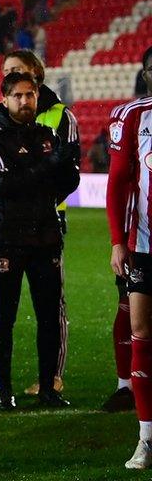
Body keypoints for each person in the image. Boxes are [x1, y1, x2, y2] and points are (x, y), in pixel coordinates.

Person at [0, 49, 79, 397]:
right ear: (5, 96)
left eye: (27, 90)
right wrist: (0, 209)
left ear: (37, 80)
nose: (23, 98)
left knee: (50, 311)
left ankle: (51, 384)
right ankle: (1, 384)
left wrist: (48, 184)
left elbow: (67, 178)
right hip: (5, 233)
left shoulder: (56, 122)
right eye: (14, 89)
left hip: (46, 231)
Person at [107, 45, 152, 469]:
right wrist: (117, 241)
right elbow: (118, 182)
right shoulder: (133, 116)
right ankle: (146, 437)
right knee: (141, 331)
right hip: (144, 245)